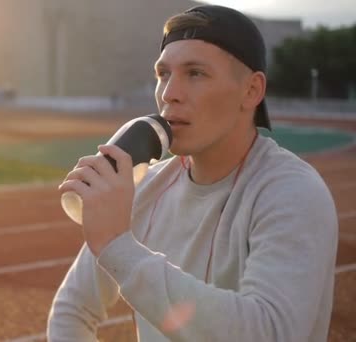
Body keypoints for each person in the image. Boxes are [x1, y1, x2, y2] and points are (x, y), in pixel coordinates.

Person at [47, 5, 338, 342]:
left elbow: (270, 331)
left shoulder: (291, 192)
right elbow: (73, 309)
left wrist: (118, 247)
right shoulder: (145, 187)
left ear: (252, 91)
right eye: (163, 74)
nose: (169, 93)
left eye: (195, 73)